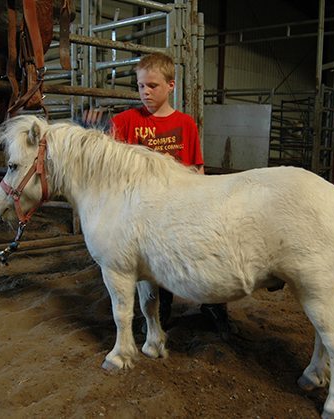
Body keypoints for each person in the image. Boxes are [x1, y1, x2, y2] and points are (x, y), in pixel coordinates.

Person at [83, 52, 234, 339]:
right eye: (141, 86)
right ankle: (160, 309)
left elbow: (197, 168)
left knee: (208, 255)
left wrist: (202, 205)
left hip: (181, 205)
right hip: (145, 214)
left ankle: (214, 306)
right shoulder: (126, 121)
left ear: (171, 86)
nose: (145, 92)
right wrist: (92, 127)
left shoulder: (185, 124)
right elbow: (105, 156)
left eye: (152, 85)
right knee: (156, 266)